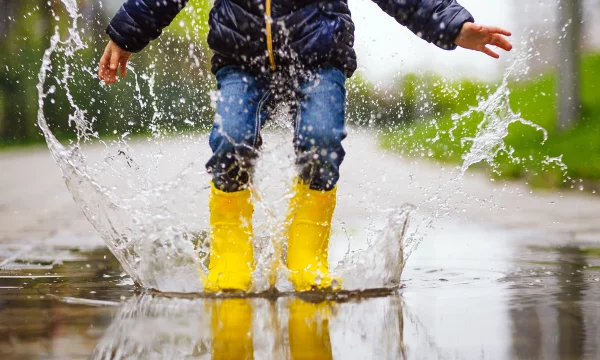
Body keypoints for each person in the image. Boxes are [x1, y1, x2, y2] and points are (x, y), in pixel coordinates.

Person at [98, 0, 512, 293]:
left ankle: (307, 251)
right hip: (241, 61)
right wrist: (125, 35)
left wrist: (453, 25)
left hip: (319, 59)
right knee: (231, 142)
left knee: (321, 141)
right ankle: (229, 253)